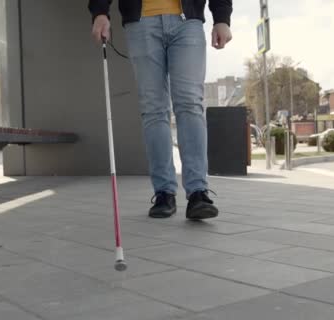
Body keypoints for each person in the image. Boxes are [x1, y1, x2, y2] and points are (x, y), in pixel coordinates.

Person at [88, 0, 233, 220]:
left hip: (188, 20)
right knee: (154, 108)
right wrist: (99, 12)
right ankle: (164, 192)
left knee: (190, 104)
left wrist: (222, 18)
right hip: (141, 21)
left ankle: (197, 193)